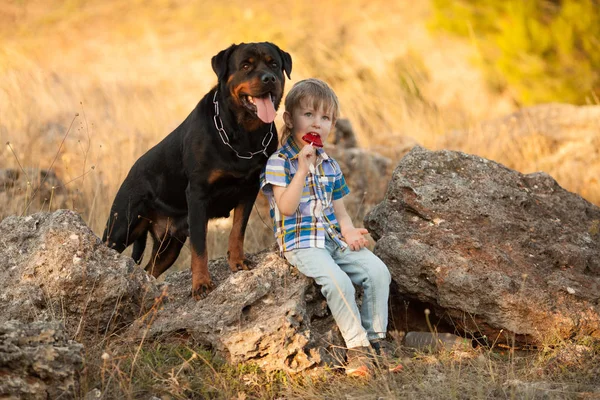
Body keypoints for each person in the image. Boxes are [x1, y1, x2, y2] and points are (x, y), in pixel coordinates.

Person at [260, 78, 392, 377]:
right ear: (289, 118)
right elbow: (286, 207)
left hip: (332, 238)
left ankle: (377, 342)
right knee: (339, 283)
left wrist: (348, 231)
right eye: (309, 114)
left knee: (378, 272)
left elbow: (340, 210)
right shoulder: (279, 163)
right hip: (301, 242)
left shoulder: (330, 163)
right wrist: (303, 167)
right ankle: (357, 351)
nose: (317, 123)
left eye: (325, 118)